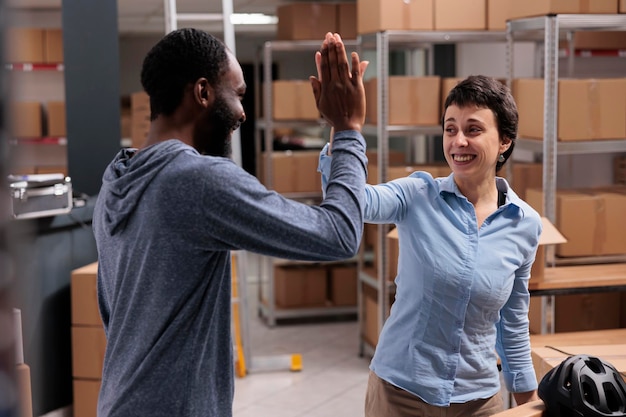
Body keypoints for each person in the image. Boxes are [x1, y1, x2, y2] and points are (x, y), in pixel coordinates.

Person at [92, 29, 368, 417]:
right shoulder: (198, 181)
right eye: (237, 95)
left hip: (119, 401)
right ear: (203, 93)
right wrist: (347, 131)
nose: (242, 112)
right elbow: (338, 235)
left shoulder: (116, 181)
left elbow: (114, 315)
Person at [319, 75, 542, 416]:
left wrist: (529, 401)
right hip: (401, 393)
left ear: (505, 141)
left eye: (473, 129)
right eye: (450, 129)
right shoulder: (417, 195)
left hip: (479, 400)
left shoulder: (524, 224)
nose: (459, 141)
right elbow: (354, 201)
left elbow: (512, 320)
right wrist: (342, 128)